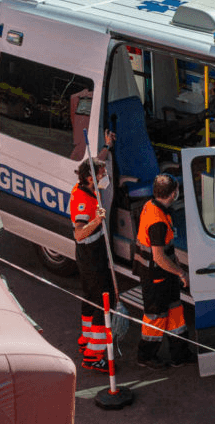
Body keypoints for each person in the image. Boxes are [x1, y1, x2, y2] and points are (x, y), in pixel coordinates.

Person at [135, 174, 194, 369]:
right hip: (156, 277)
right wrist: (180, 273)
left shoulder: (152, 206)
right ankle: (146, 356)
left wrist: (175, 264)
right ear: (173, 193)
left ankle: (180, 354)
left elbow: (165, 251)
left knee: (175, 313)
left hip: (161, 275)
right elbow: (159, 257)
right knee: (156, 317)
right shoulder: (157, 220)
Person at [71, 130, 117, 373]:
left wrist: (106, 147)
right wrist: (96, 222)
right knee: (102, 301)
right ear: (90, 178)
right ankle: (93, 355)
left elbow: (96, 160)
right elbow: (78, 233)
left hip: (90, 253)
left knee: (89, 297)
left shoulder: (86, 185)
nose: (104, 175)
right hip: (91, 253)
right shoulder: (84, 201)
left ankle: (86, 339)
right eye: (101, 173)